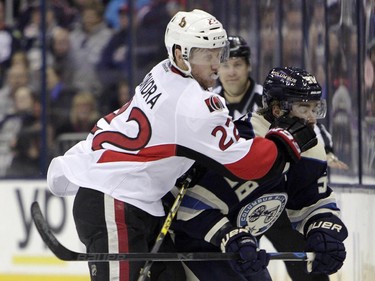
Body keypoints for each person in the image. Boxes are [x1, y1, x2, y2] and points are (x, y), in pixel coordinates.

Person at [46, 10, 318, 281]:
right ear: (180, 55)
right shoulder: (193, 104)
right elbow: (247, 164)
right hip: (114, 200)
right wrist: (285, 141)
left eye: (218, 53)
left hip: (136, 200)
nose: (216, 65)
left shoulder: (161, 71)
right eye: (205, 55)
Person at [169, 66, 347, 281]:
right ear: (277, 110)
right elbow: (190, 208)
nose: (312, 119)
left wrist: (324, 231)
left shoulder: (310, 148)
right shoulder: (242, 142)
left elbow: (312, 203)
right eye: (303, 108)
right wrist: (229, 235)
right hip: (194, 242)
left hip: (242, 243)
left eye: (315, 108)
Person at [213, 35, 330, 281]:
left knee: (306, 267)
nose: (231, 72)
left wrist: (326, 150)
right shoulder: (210, 102)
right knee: (243, 266)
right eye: (225, 65)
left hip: (281, 201)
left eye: (237, 64)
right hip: (242, 201)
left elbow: (312, 132)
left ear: (248, 67)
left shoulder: (270, 97)